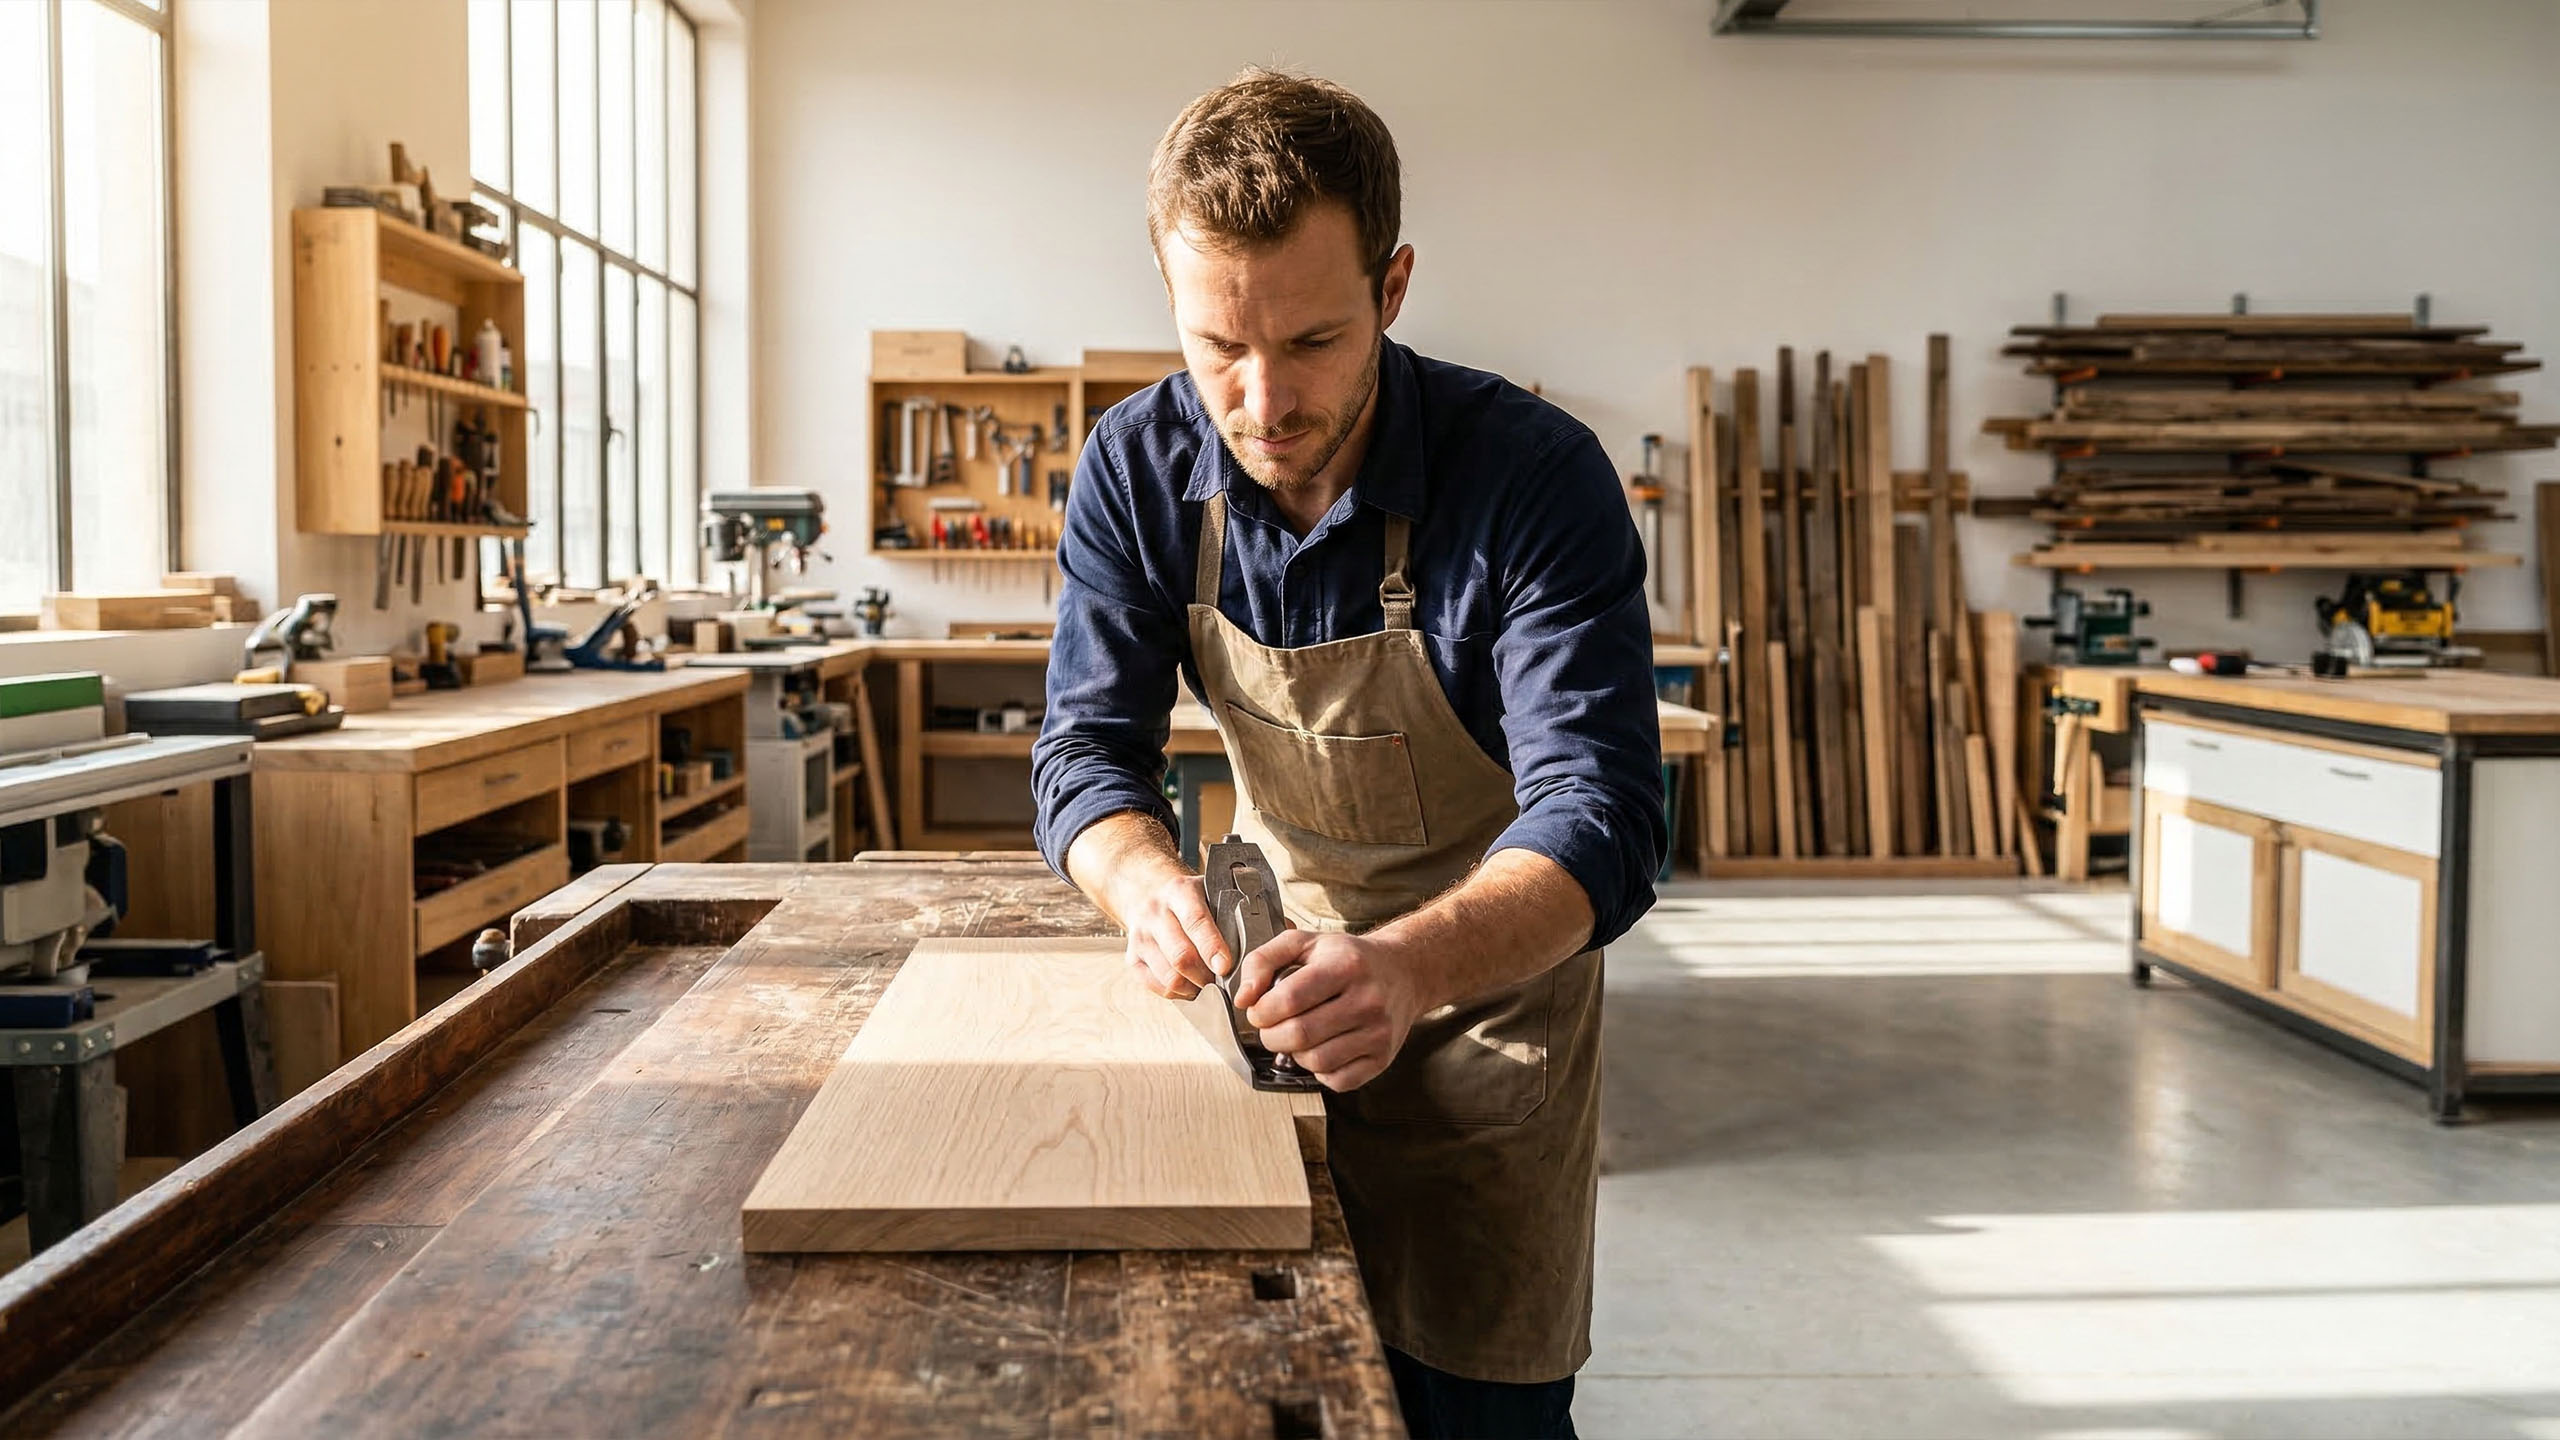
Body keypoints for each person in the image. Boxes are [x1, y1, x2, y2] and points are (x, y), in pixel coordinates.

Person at [1029, 68, 1663, 1440]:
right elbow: (1084, 754)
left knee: (1473, 1407)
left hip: (1491, 1021)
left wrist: (1410, 966)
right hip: (1261, 1013)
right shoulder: (1138, 469)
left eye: (1313, 340)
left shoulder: (1532, 478)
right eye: (1217, 349)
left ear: (1394, 286)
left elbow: (1605, 814)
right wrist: (1144, 889)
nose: (1262, 401)